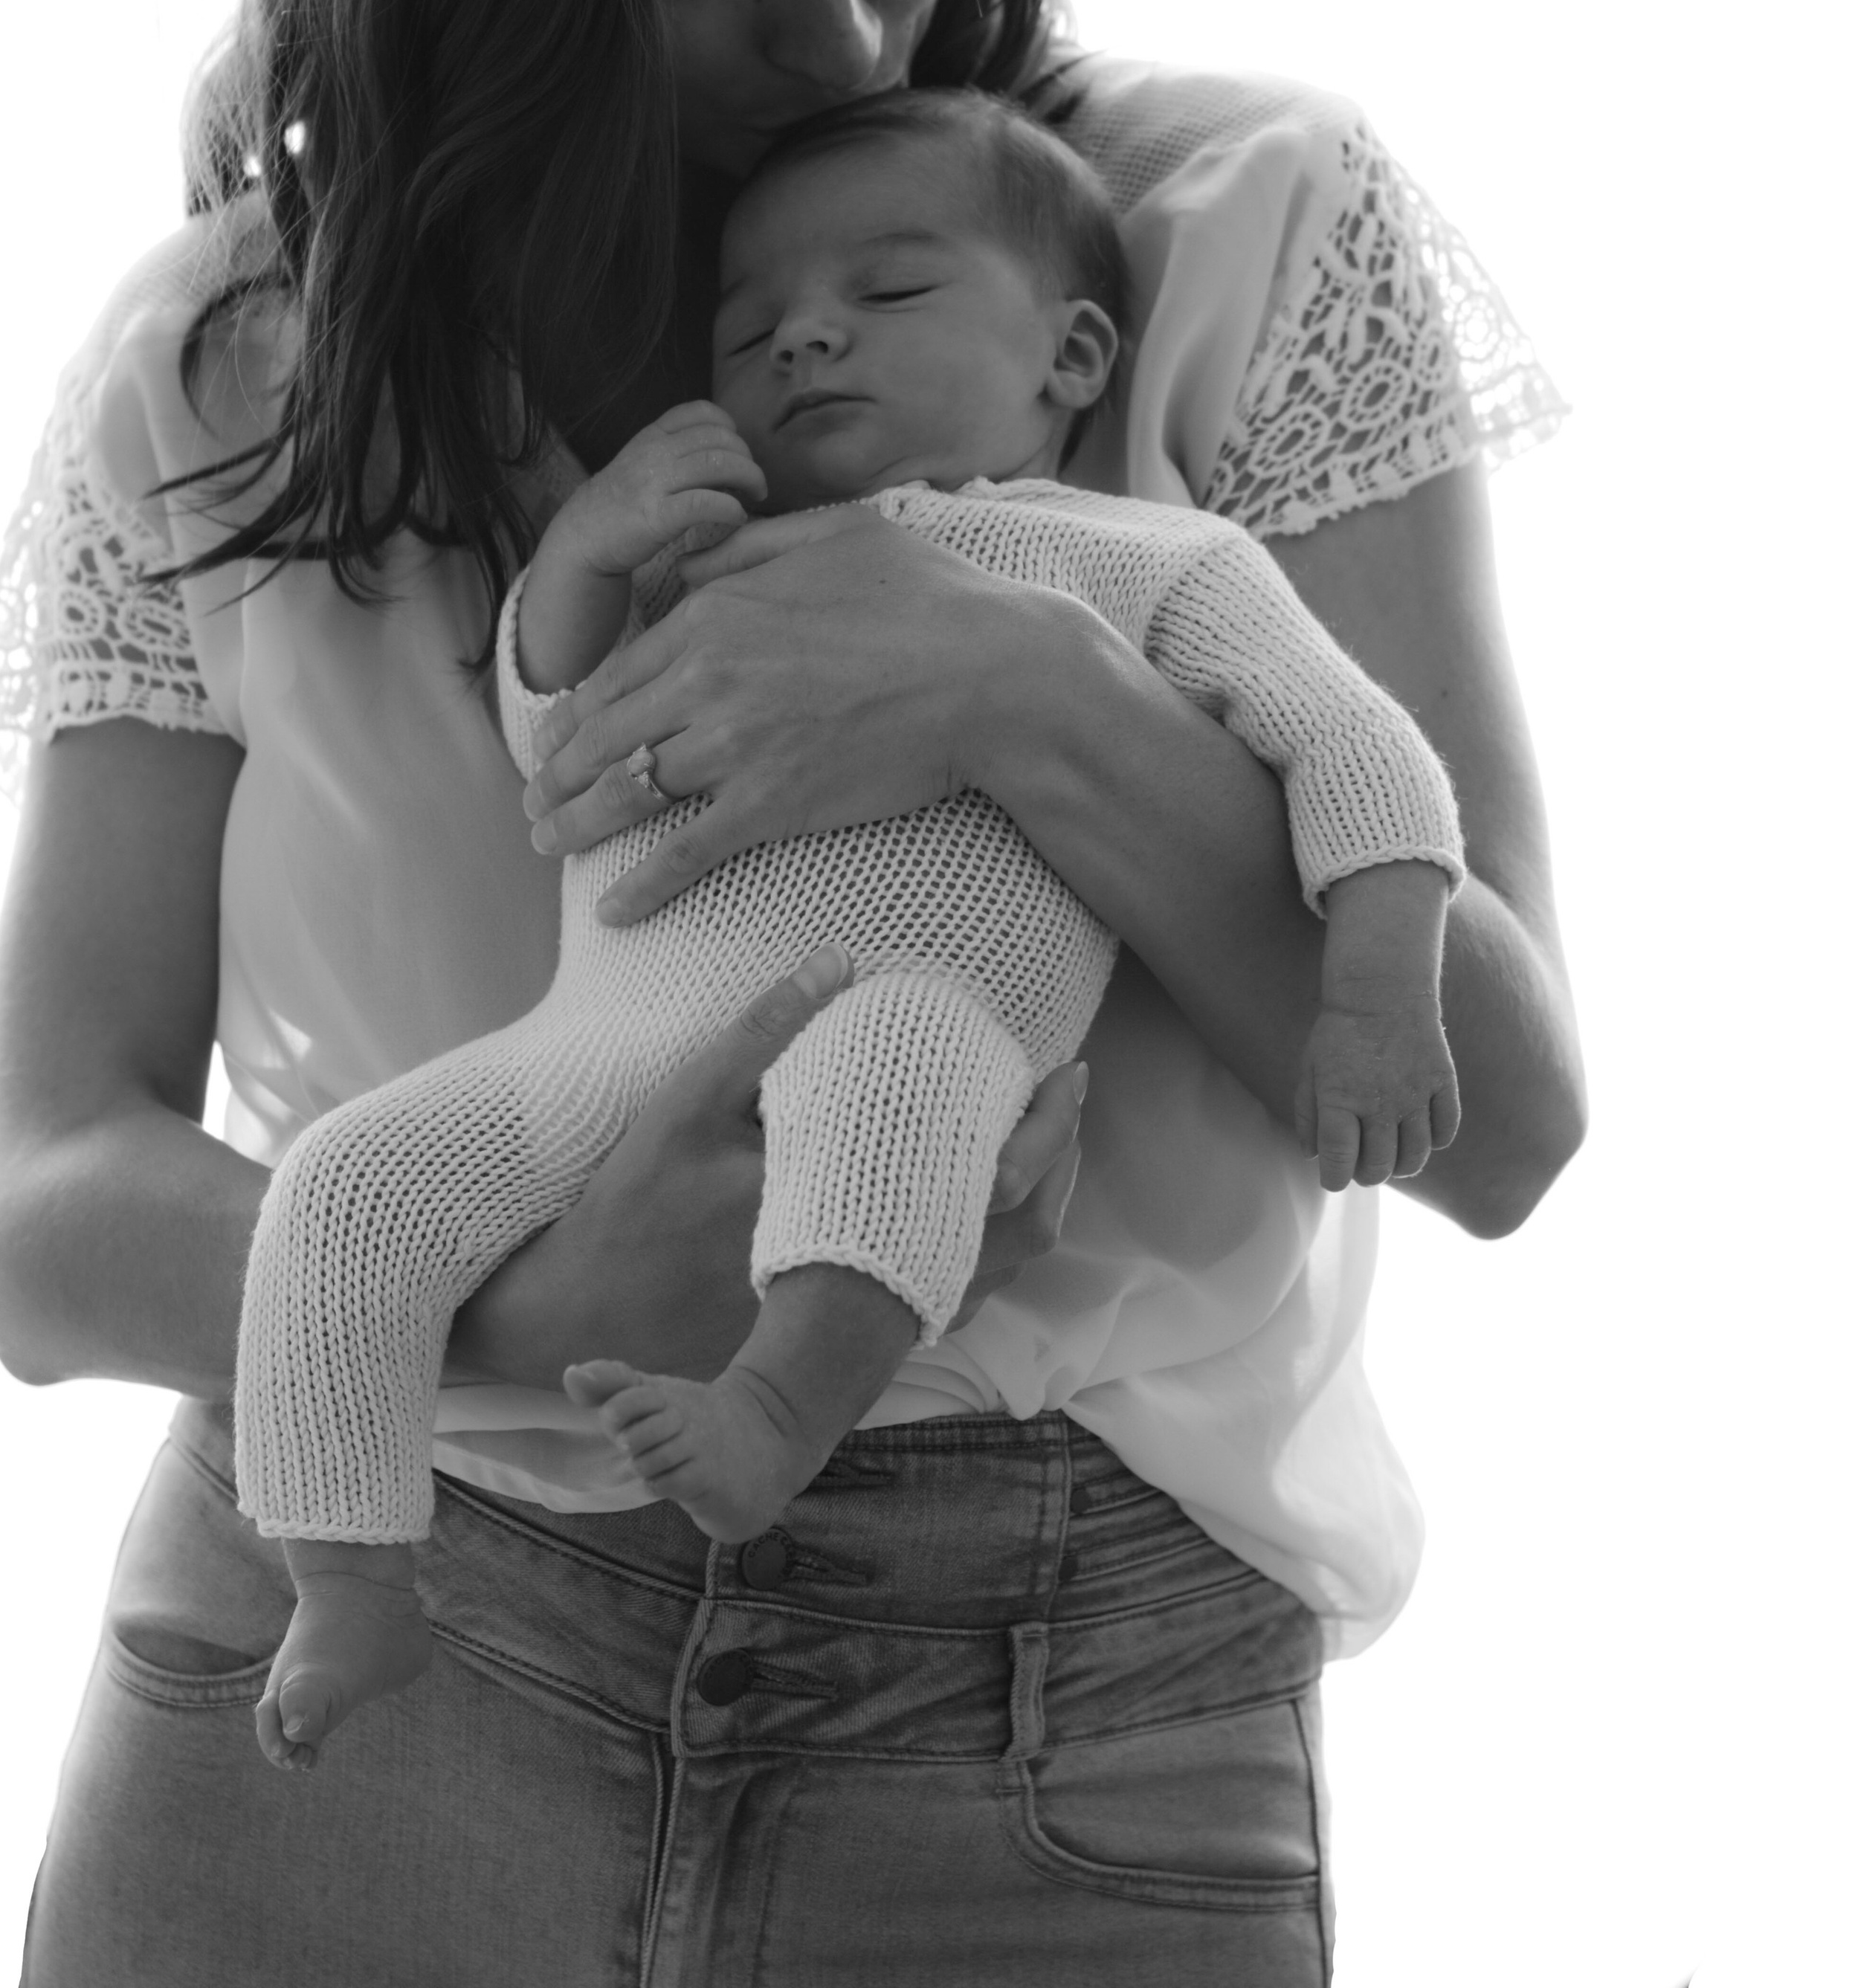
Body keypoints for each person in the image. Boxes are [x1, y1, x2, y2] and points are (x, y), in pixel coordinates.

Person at [0, 0, 1583, 1985]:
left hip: (1053, 1727)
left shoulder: (1224, 235)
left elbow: (1501, 1121)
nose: (841, 26)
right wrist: (548, 1312)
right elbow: (42, 1211)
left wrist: (1014, 691)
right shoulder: (233, 374)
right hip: (339, 1666)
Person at [241, 90, 1467, 1772]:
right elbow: (560, 754)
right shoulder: (703, 566)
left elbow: (1358, 748)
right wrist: (582, 568)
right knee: (340, 1183)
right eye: (752, 327)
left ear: (1073, 355)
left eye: (887, 293)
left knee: (897, 1075)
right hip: (576, 1052)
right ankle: (346, 1572)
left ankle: (773, 1407)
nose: (806, 336)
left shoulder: (1148, 564)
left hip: (902, 1010)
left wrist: (1379, 988)